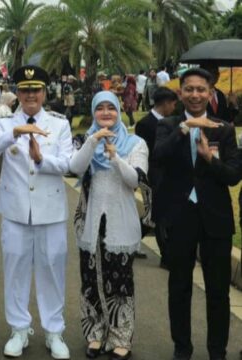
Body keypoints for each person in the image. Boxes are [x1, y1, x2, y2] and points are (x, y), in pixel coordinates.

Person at [153, 68, 242, 360]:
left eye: (201, 89)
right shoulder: (168, 125)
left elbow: (232, 176)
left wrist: (208, 159)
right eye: (189, 89)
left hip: (215, 220)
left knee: (218, 291)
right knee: (179, 287)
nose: (195, 94)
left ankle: (217, 350)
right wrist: (184, 130)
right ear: (180, 92)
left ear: (210, 92)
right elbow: (159, 157)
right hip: (179, 218)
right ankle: (182, 348)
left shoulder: (224, 129)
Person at [0, 65, 72, 359]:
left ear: (44, 93)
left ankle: (54, 330)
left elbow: (67, 164)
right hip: (15, 211)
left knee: (52, 270)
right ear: (17, 94)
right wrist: (15, 131)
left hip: (50, 210)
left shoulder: (59, 124)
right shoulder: (4, 123)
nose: (31, 95)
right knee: (16, 270)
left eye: (36, 90)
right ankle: (19, 328)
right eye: (25, 90)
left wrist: (42, 159)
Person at [70, 91, 148, 360]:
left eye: (111, 109)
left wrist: (115, 156)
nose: (105, 113)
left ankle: (121, 338)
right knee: (90, 280)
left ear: (118, 111)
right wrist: (93, 141)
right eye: (100, 108)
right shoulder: (86, 141)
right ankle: (95, 334)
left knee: (120, 283)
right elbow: (75, 167)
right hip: (90, 224)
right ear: (94, 112)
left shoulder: (136, 143)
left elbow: (134, 181)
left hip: (120, 224)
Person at [135, 87, 178, 269]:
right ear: (166, 103)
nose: (175, 108)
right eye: (174, 104)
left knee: (155, 214)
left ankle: (128, 238)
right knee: (158, 215)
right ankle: (166, 256)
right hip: (153, 175)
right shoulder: (145, 124)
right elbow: (142, 153)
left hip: (171, 175)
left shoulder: (173, 122)